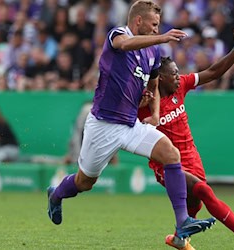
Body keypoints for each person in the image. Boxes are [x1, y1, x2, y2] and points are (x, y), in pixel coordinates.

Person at [46, 0, 215, 242]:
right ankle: (56, 195)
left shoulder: (153, 51)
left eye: (159, 26)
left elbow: (154, 85)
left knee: (171, 153)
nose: (157, 29)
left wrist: (154, 111)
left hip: (130, 125)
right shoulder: (118, 34)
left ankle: (182, 222)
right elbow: (124, 45)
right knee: (85, 181)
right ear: (138, 21)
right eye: (154, 24)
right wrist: (162, 38)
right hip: (103, 125)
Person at [138, 20, 234, 250]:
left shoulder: (181, 86)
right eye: (174, 74)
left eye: (178, 73)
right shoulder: (144, 104)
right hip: (166, 164)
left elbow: (213, 72)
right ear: (161, 78)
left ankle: (179, 239)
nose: (179, 76)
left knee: (194, 204)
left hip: (191, 157)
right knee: (204, 191)